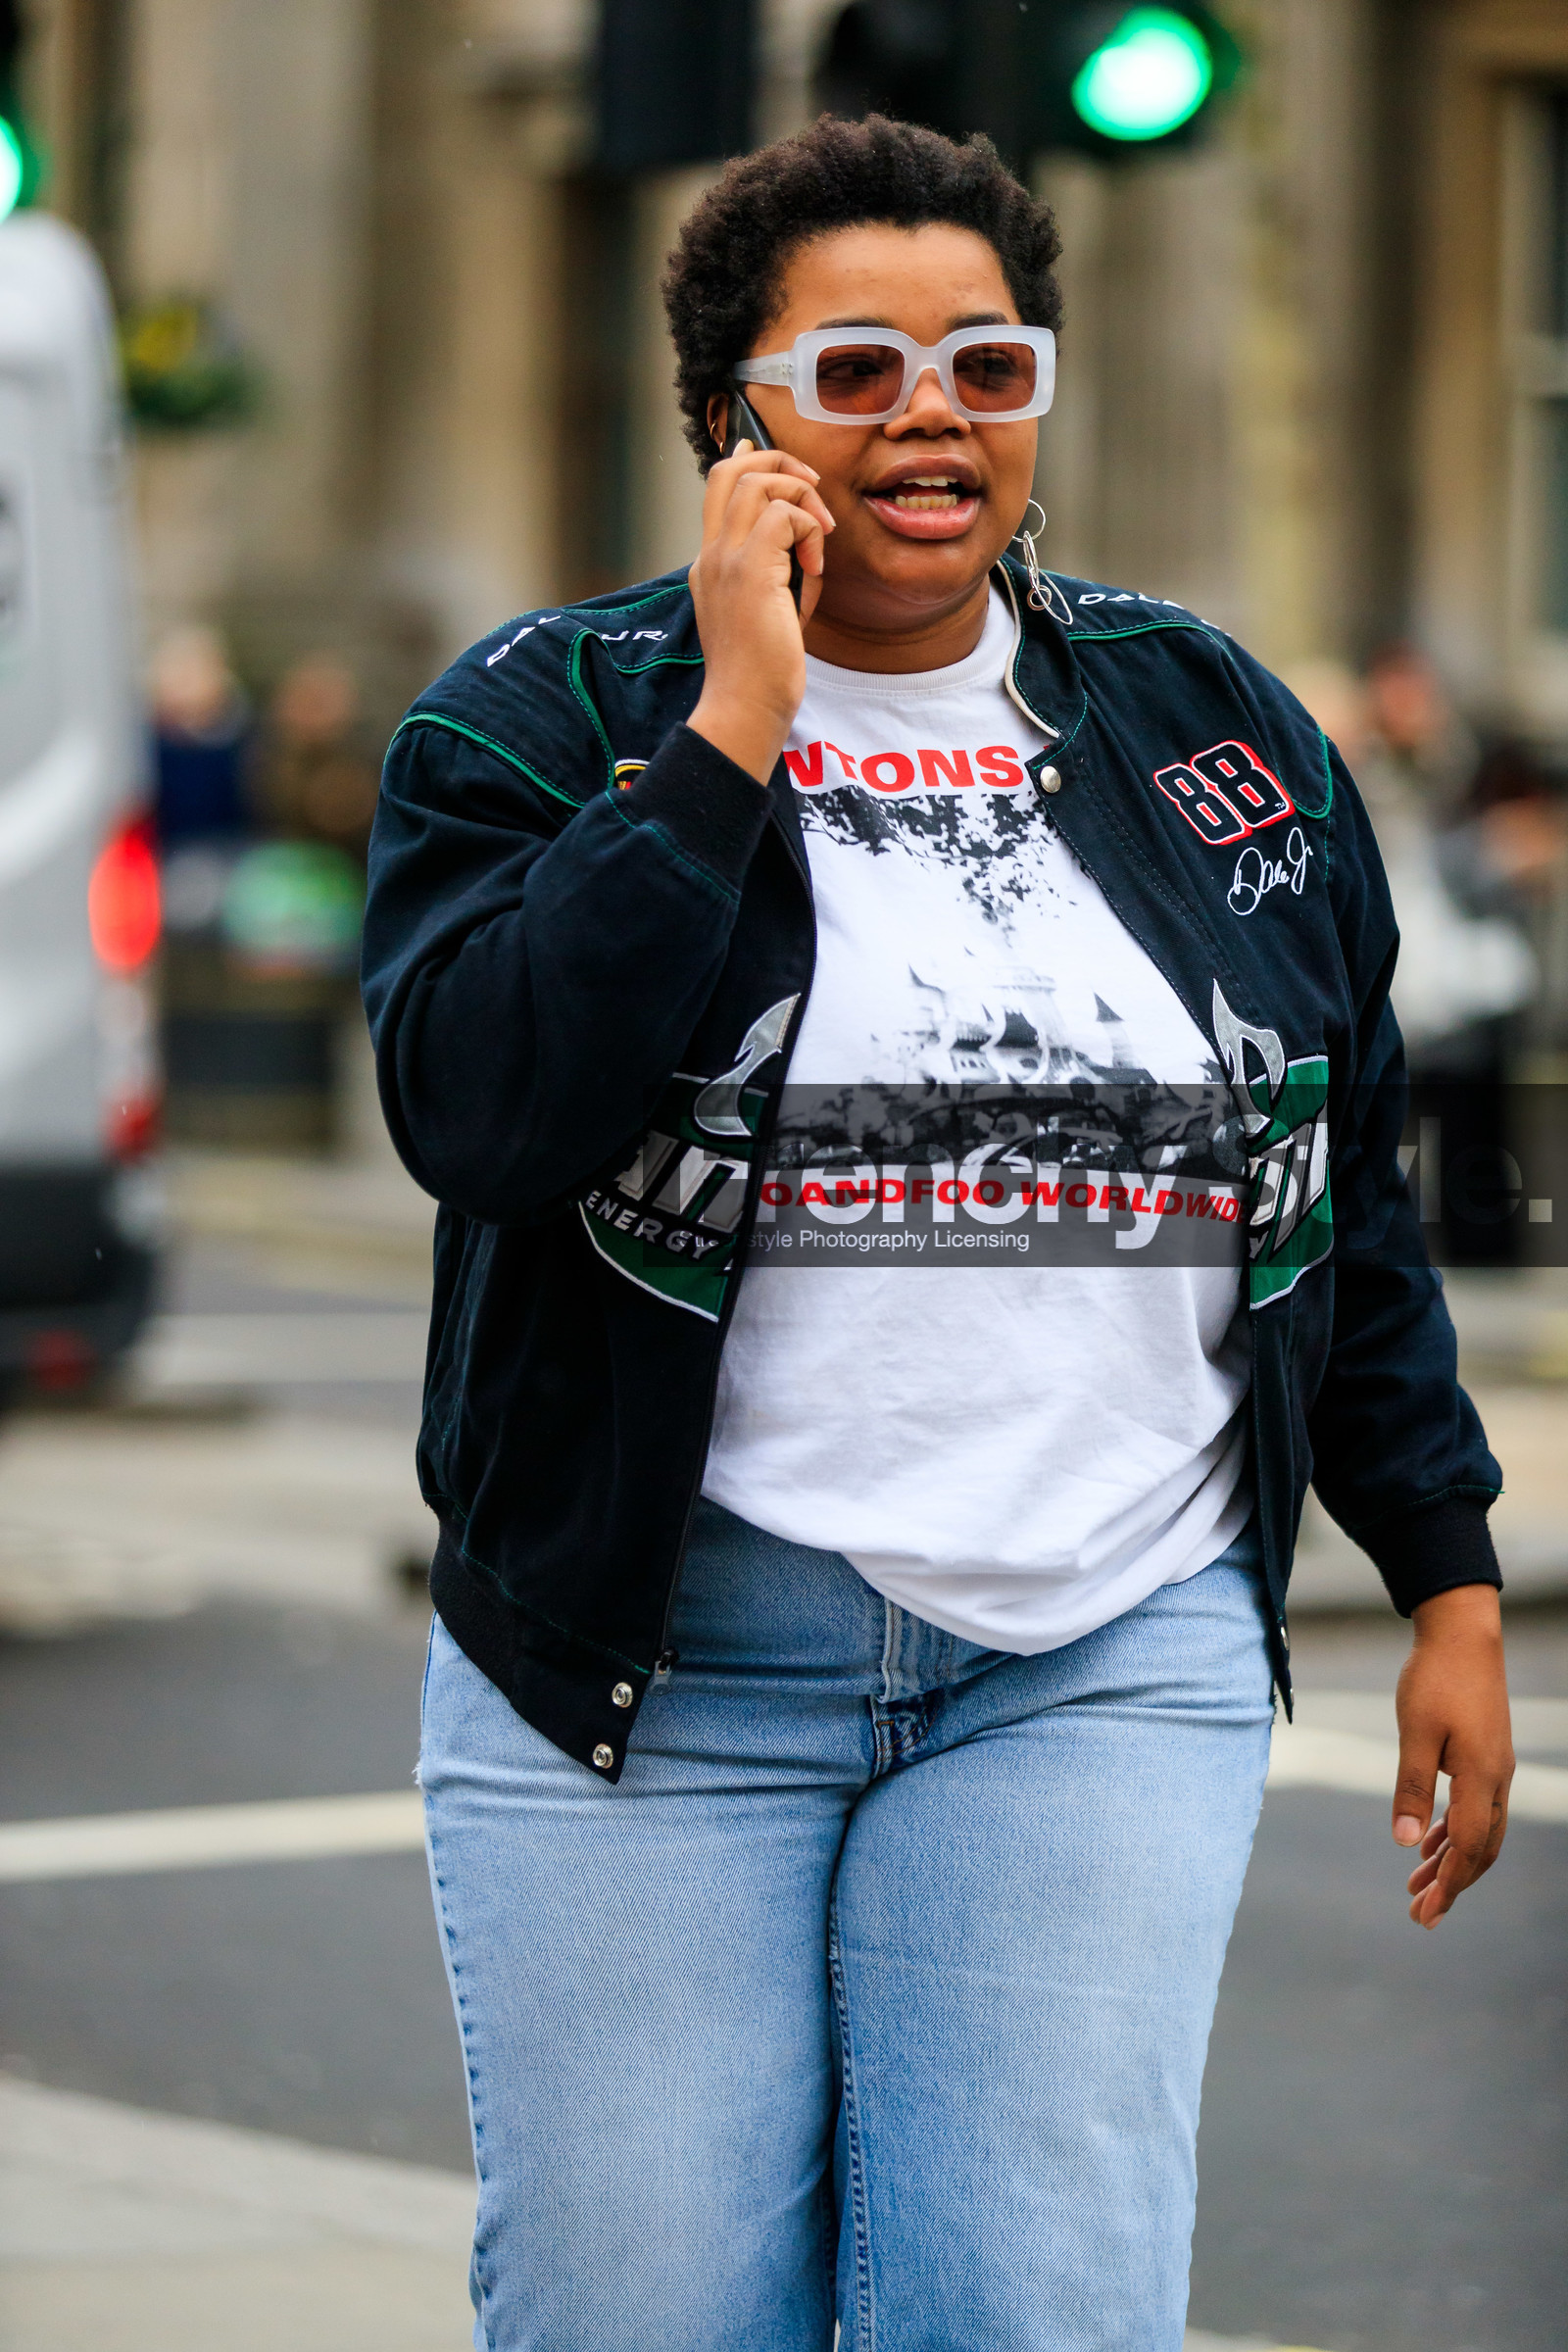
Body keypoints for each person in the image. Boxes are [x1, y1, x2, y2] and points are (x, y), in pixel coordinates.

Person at [362, 117, 1515, 2352]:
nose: (929, 419)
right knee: (639, 2315)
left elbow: (1330, 1178)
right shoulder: (535, 723)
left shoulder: (1212, 728)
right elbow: (483, 1111)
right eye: (858, 366)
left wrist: (1444, 1567)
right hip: (654, 1670)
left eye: (987, 365)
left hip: (1100, 1648)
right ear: (731, 422)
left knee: (1029, 2308)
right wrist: (726, 735)